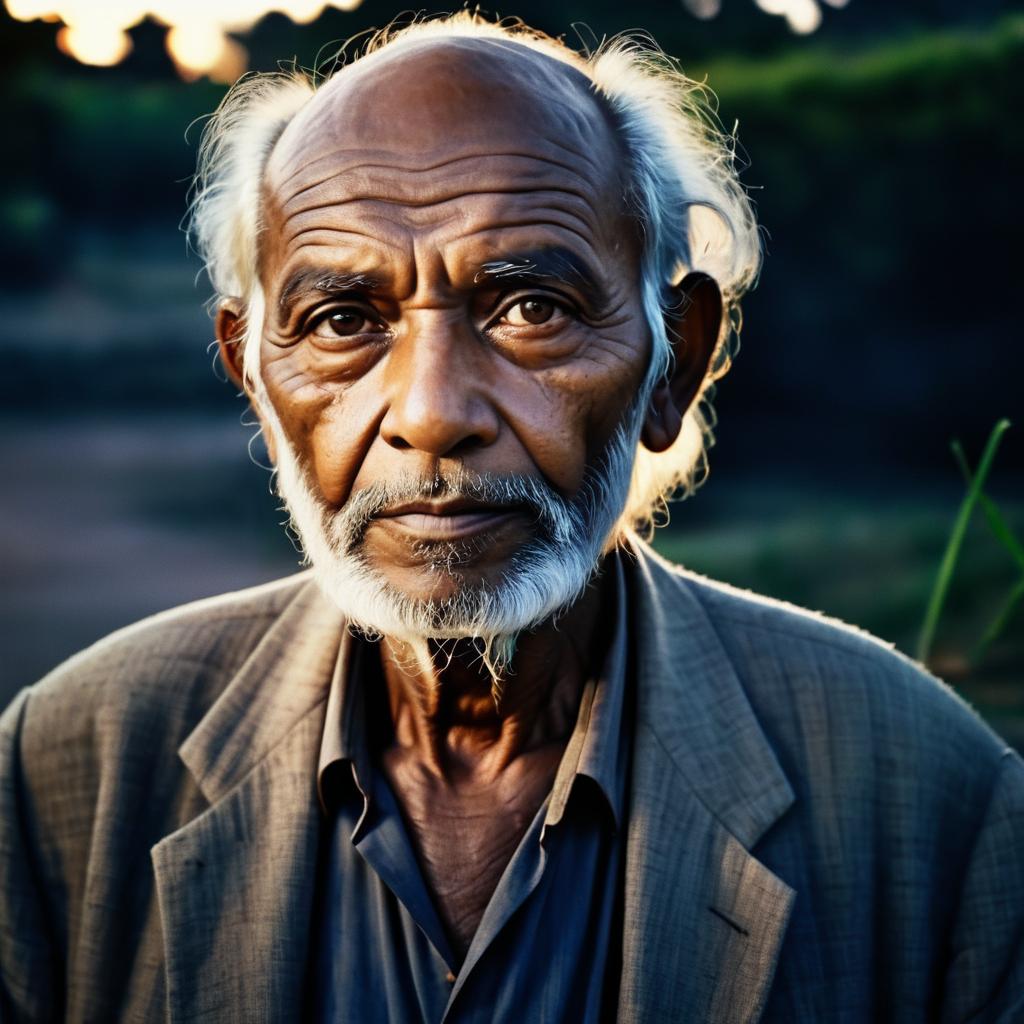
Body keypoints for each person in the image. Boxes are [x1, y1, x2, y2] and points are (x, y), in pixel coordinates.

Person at [2, 13, 1022, 1023]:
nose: (434, 414)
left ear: (675, 360)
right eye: (344, 321)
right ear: (257, 384)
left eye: (531, 307)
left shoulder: (930, 802)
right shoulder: (63, 776)